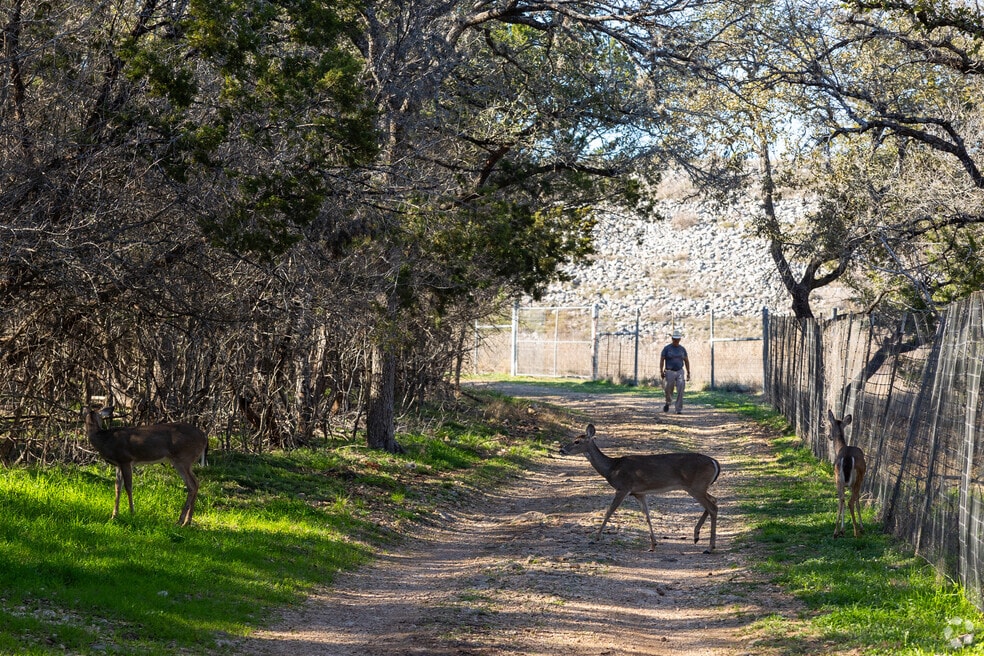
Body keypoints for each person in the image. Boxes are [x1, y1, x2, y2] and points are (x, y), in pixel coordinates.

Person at [660, 329, 691, 414]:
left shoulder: (682, 349)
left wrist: (688, 372)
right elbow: (662, 360)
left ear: (680, 339)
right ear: (672, 339)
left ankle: (678, 409)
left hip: (680, 371)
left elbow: (686, 361)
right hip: (669, 371)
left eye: (678, 339)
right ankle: (668, 402)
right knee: (668, 389)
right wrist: (661, 371)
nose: (676, 341)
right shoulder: (667, 349)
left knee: (681, 388)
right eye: (675, 339)